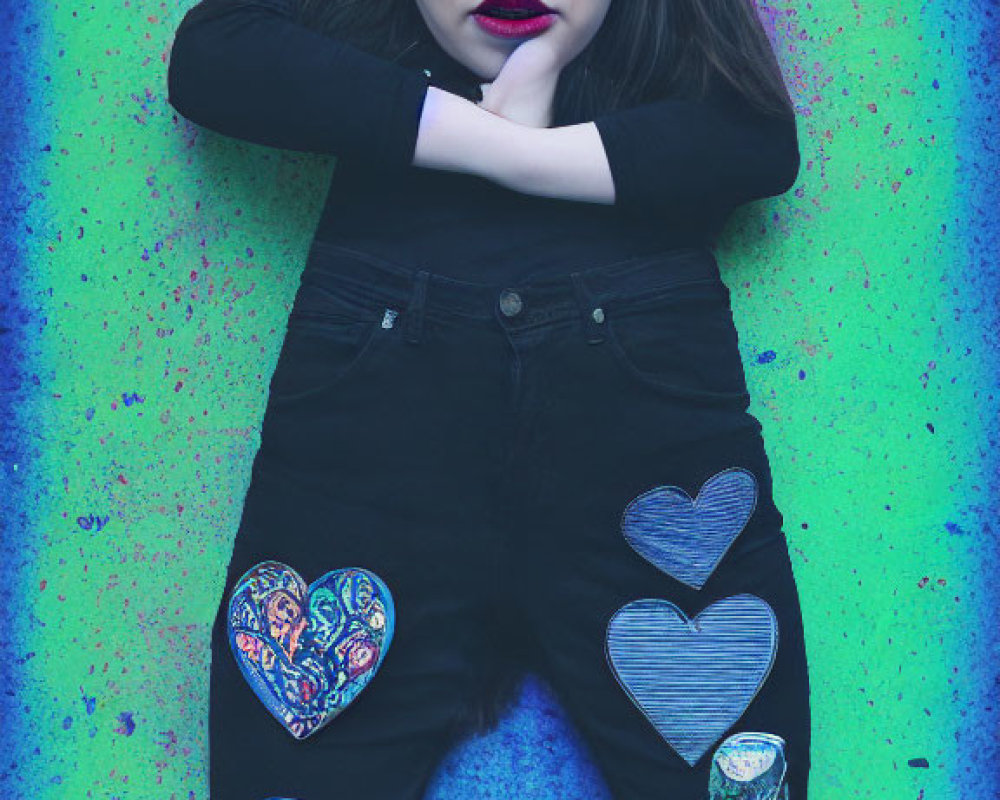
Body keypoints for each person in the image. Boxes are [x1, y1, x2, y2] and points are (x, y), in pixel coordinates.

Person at [166, 0, 811, 798]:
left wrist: (522, 158)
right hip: (375, 442)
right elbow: (210, 56)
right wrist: (486, 138)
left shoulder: (678, 52)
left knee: (736, 780)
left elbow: (758, 140)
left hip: (644, 453)